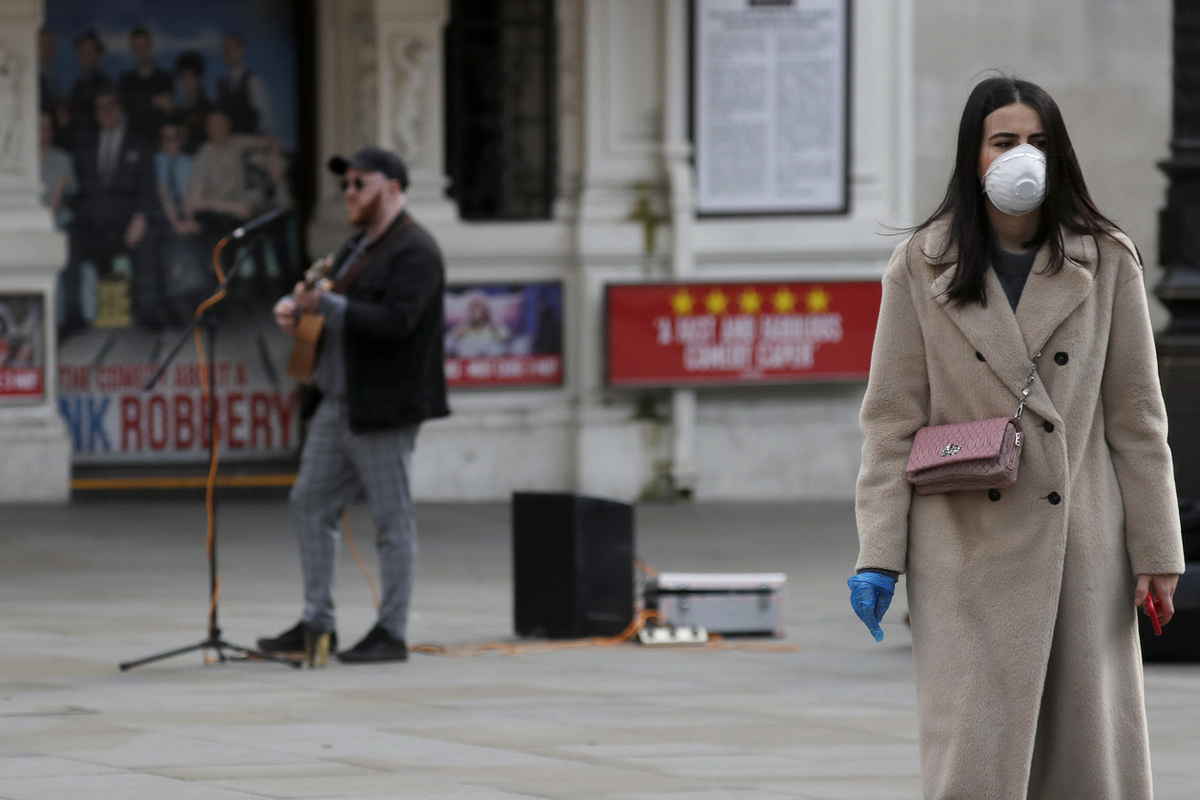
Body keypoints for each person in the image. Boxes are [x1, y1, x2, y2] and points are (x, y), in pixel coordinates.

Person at [848, 74, 1186, 799]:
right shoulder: (921, 264)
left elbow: (1138, 420)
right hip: (963, 543)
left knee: (1084, 754)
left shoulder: (1106, 259)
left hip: (1082, 547)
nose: (1021, 157)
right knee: (973, 753)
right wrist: (879, 553)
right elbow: (890, 419)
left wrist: (1159, 550)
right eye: (1004, 142)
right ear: (974, 155)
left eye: (1037, 142)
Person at [258, 146, 449, 665]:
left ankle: (391, 631)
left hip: (382, 409)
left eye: (359, 184)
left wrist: (328, 305)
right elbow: (325, 303)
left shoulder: (416, 251)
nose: (349, 194)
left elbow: (396, 322)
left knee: (392, 521)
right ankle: (316, 624)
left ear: (391, 188)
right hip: (335, 402)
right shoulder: (354, 248)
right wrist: (296, 313)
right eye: (346, 185)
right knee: (309, 503)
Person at [63, 88, 155, 334]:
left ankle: (147, 313)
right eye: (100, 108)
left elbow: (148, 186)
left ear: (119, 109)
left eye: (110, 106)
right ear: (96, 113)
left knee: (148, 236)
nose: (106, 112)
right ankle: (73, 315)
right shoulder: (85, 144)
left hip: (126, 223)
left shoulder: (138, 143)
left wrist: (140, 217)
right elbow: (77, 190)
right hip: (92, 223)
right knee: (69, 235)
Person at [117, 26, 173, 143]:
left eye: (144, 45)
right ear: (133, 48)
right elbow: (128, 108)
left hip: (160, 143)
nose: (142, 50)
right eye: (138, 47)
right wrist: (153, 101)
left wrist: (138, 101)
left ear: (151, 45)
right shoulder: (126, 81)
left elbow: (167, 107)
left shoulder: (165, 79)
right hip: (134, 142)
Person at [216, 32, 274, 135]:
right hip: (228, 143)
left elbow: (265, 119)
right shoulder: (221, 85)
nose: (228, 52)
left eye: (232, 48)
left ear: (240, 50)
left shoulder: (253, 81)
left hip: (248, 139)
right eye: (225, 48)